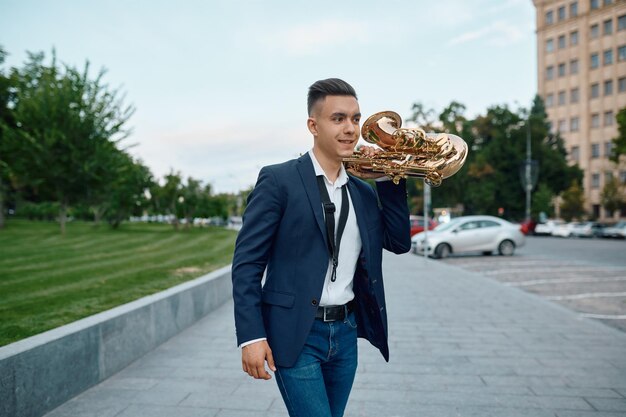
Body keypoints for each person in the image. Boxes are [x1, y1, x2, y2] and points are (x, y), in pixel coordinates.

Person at [232, 78, 411, 417]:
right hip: (296, 333)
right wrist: (251, 336)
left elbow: (399, 242)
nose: (351, 129)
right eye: (338, 118)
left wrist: (390, 176)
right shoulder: (278, 180)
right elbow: (247, 264)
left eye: (356, 119)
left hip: (346, 334)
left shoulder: (364, 191)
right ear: (313, 125)